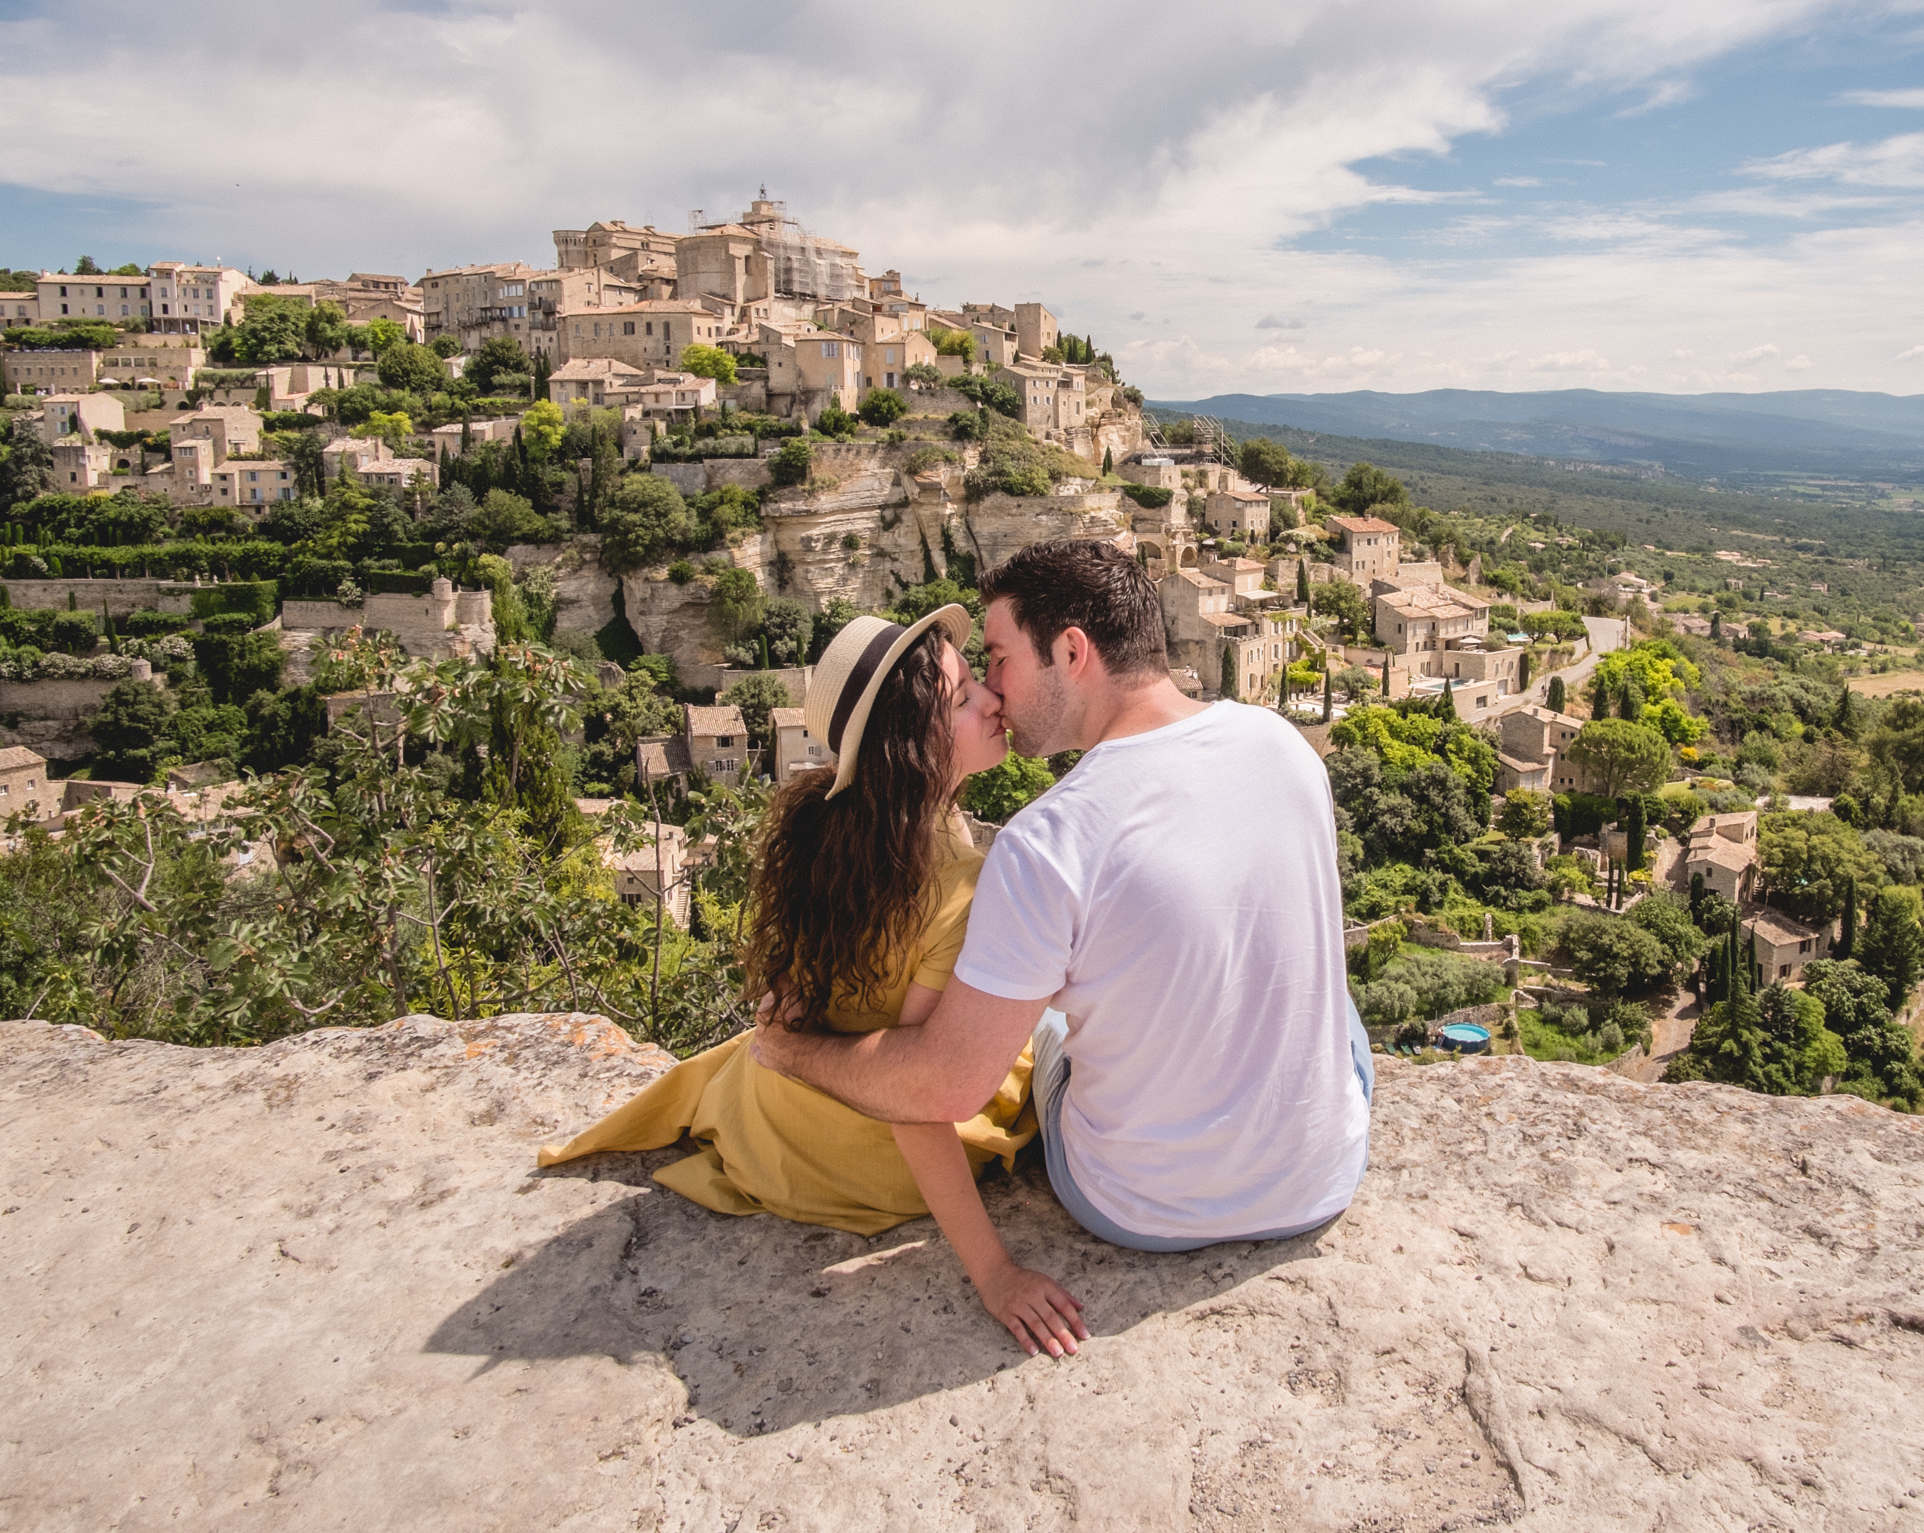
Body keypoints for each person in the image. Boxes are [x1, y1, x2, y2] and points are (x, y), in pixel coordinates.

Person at [752, 538, 1372, 1262]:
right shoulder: (1284, 743)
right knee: (1341, 1012)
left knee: (1049, 1007)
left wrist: (791, 1047)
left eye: (999, 657)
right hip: (1321, 1182)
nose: (994, 688)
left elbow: (942, 1087)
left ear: (1072, 652)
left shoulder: (1044, 843)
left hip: (1136, 1205)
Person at [539, 605, 1088, 1357]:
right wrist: (995, 1272)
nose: (993, 699)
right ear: (911, 745)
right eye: (960, 699)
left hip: (783, 1131)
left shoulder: (826, 817)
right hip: (878, 1159)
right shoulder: (958, 881)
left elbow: (804, 999)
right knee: (1054, 1023)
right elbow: (919, 1092)